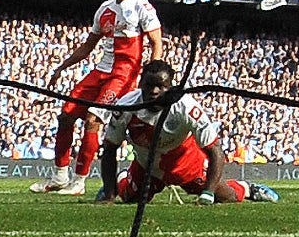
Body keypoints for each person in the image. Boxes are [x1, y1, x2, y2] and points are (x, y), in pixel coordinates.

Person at [31, 0, 162, 197]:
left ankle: (79, 180)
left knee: (93, 120)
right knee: (66, 115)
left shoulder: (141, 5)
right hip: (101, 70)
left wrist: (151, 74)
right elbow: (88, 47)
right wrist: (61, 67)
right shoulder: (104, 9)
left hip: (123, 74)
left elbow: (156, 41)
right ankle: (60, 175)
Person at [95, 59, 280, 206]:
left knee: (226, 197)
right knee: (129, 197)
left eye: (161, 86)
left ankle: (248, 189)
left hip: (187, 164)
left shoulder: (187, 107)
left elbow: (215, 149)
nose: (154, 91)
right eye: (149, 85)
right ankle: (120, 181)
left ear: (171, 86)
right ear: (140, 83)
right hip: (146, 166)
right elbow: (110, 148)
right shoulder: (125, 107)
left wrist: (208, 193)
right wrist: (110, 195)